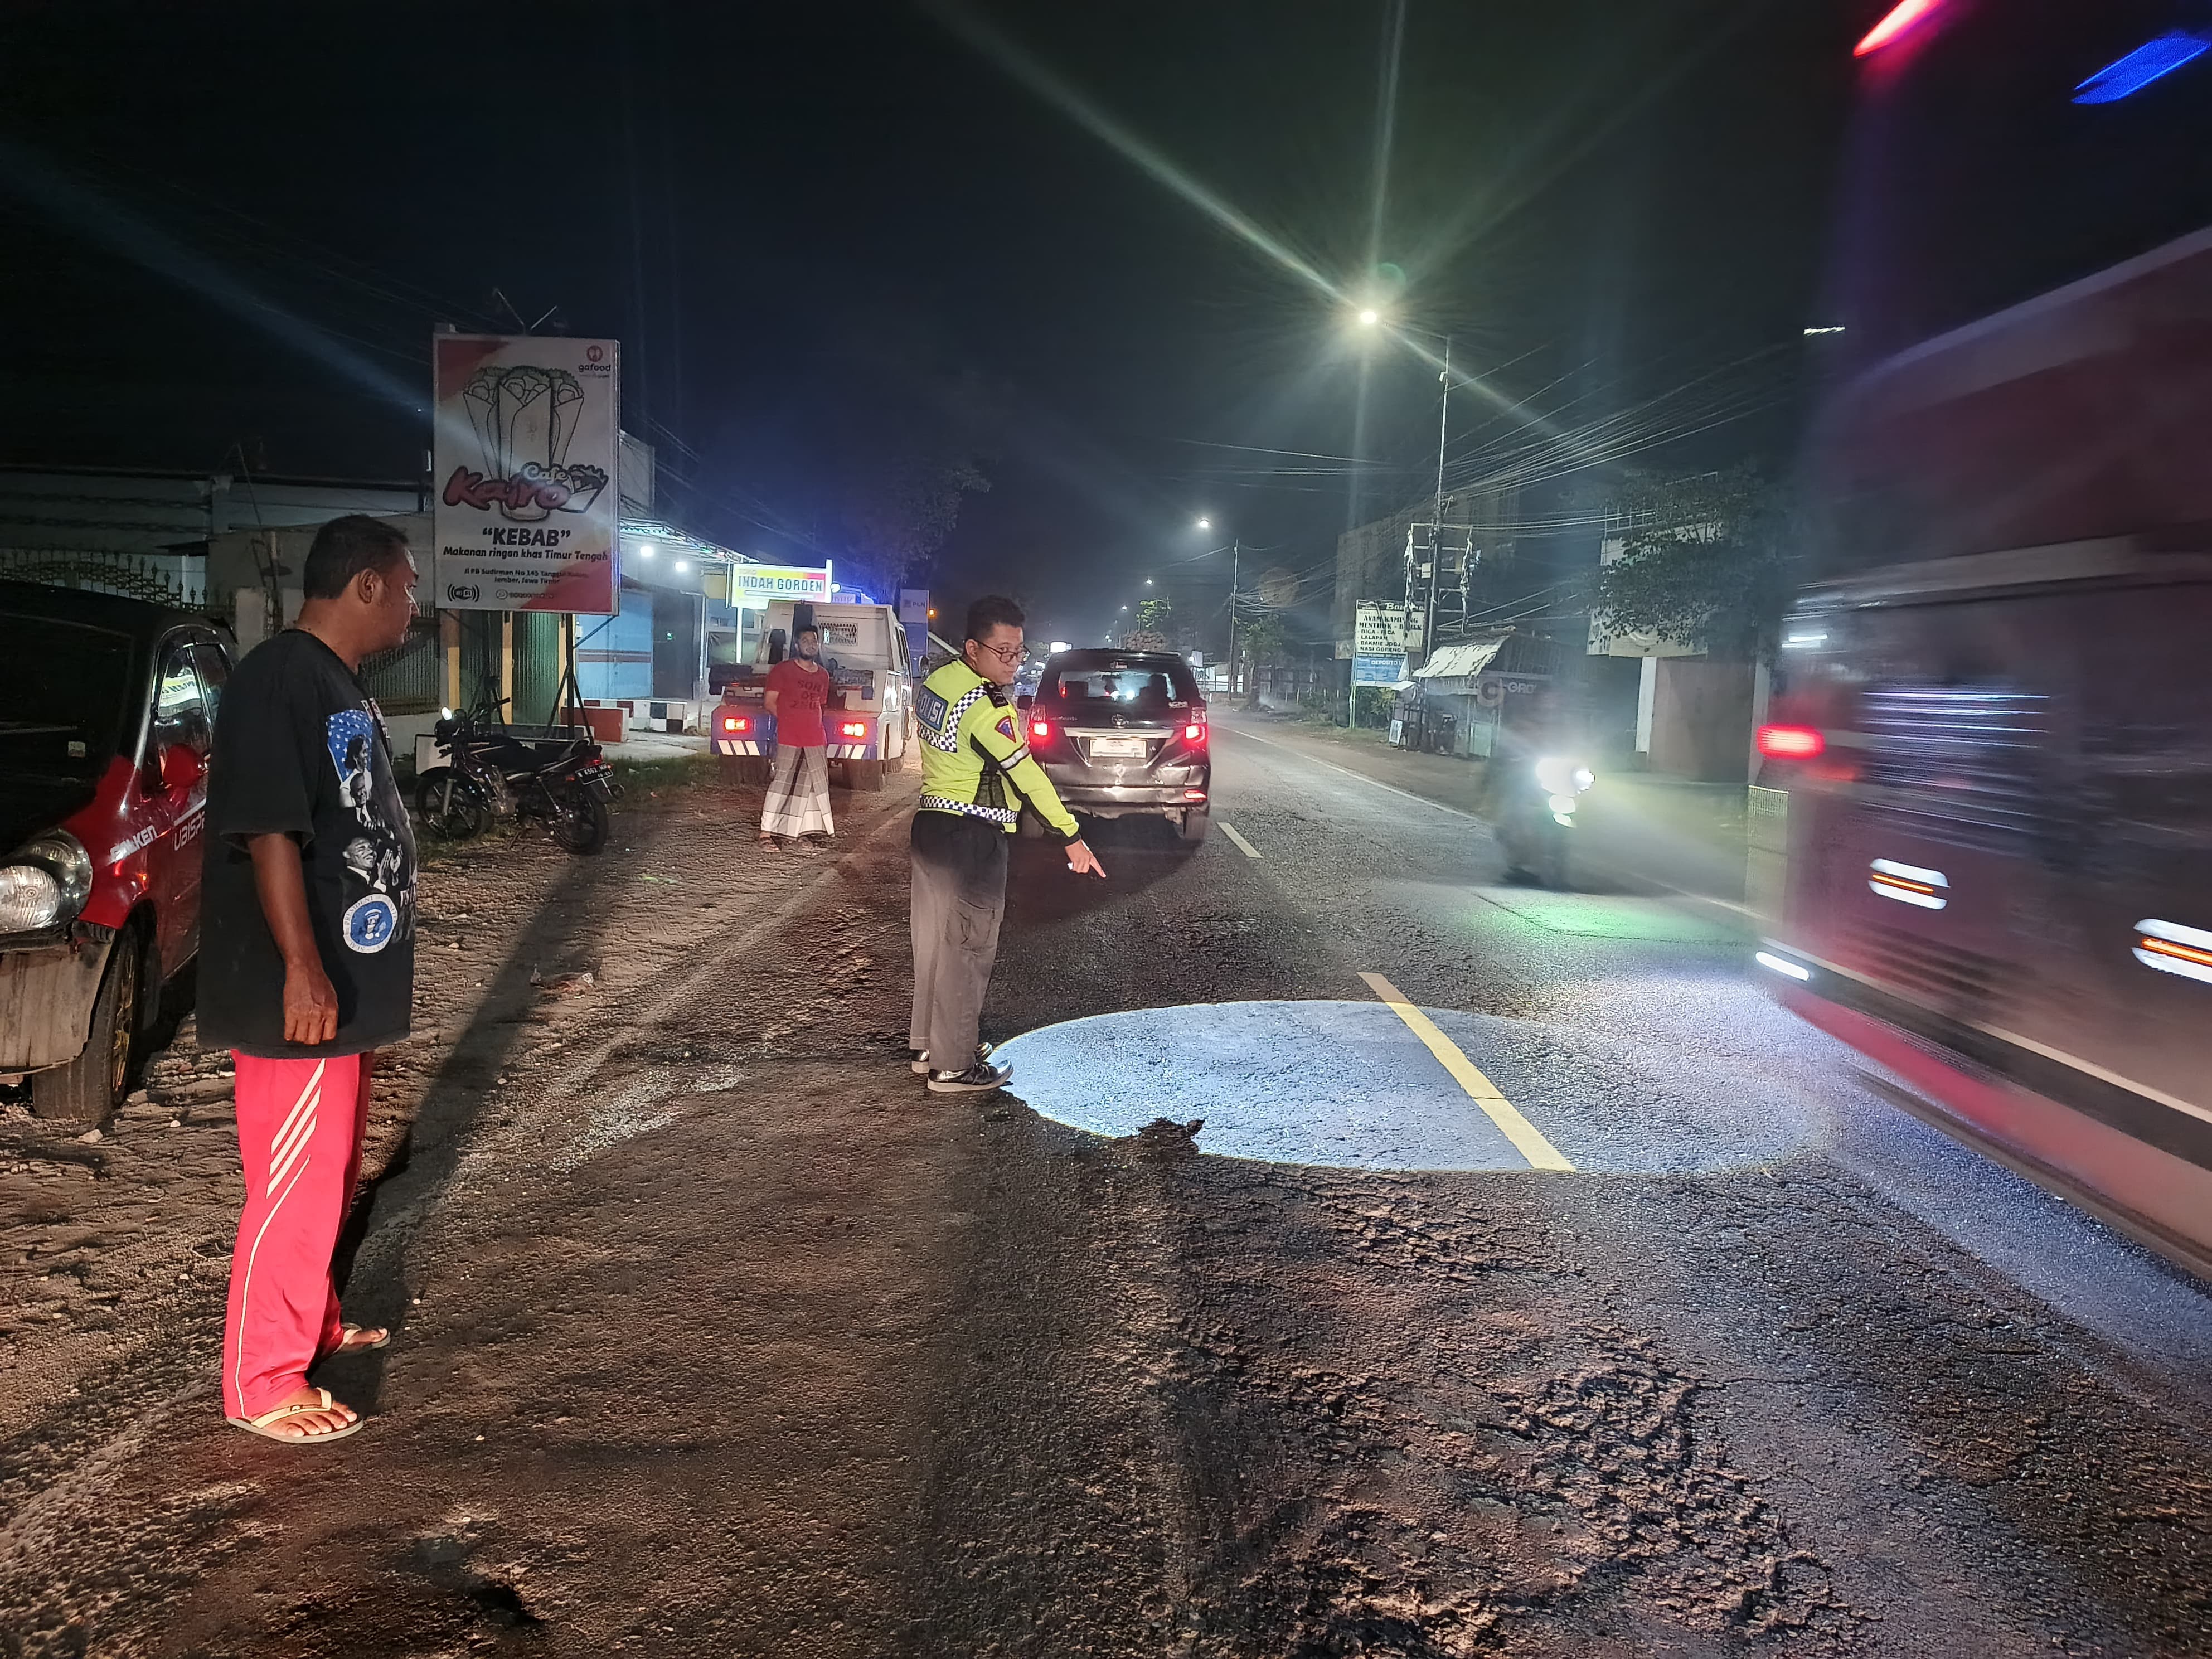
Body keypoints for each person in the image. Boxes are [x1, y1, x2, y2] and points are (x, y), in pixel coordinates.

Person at [197, 514, 420, 1444]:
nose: (414, 606)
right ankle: (261, 1377)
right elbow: (269, 832)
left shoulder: (335, 683)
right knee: (292, 1179)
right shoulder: (279, 677)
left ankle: (310, 1324)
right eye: (407, 586)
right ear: (365, 585)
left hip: (341, 986)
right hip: (302, 990)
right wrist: (301, 968)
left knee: (328, 1173)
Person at [910, 595, 1105, 1093]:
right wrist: (1071, 836)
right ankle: (953, 1066)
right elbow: (1027, 777)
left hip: (931, 827)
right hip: (971, 837)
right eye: (1004, 652)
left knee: (934, 944)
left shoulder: (937, 683)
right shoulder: (984, 706)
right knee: (968, 949)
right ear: (972, 648)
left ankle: (930, 1045)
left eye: (1019, 652)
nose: (1014, 663)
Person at [759, 624, 834, 847]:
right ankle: (766, 834)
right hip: (789, 737)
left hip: (815, 740)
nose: (811, 644)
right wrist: (790, 720)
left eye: (814, 641)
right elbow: (770, 702)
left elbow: (819, 706)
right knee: (781, 783)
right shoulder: (782, 671)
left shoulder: (823, 676)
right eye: (805, 641)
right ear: (796, 645)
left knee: (809, 787)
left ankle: (798, 833)